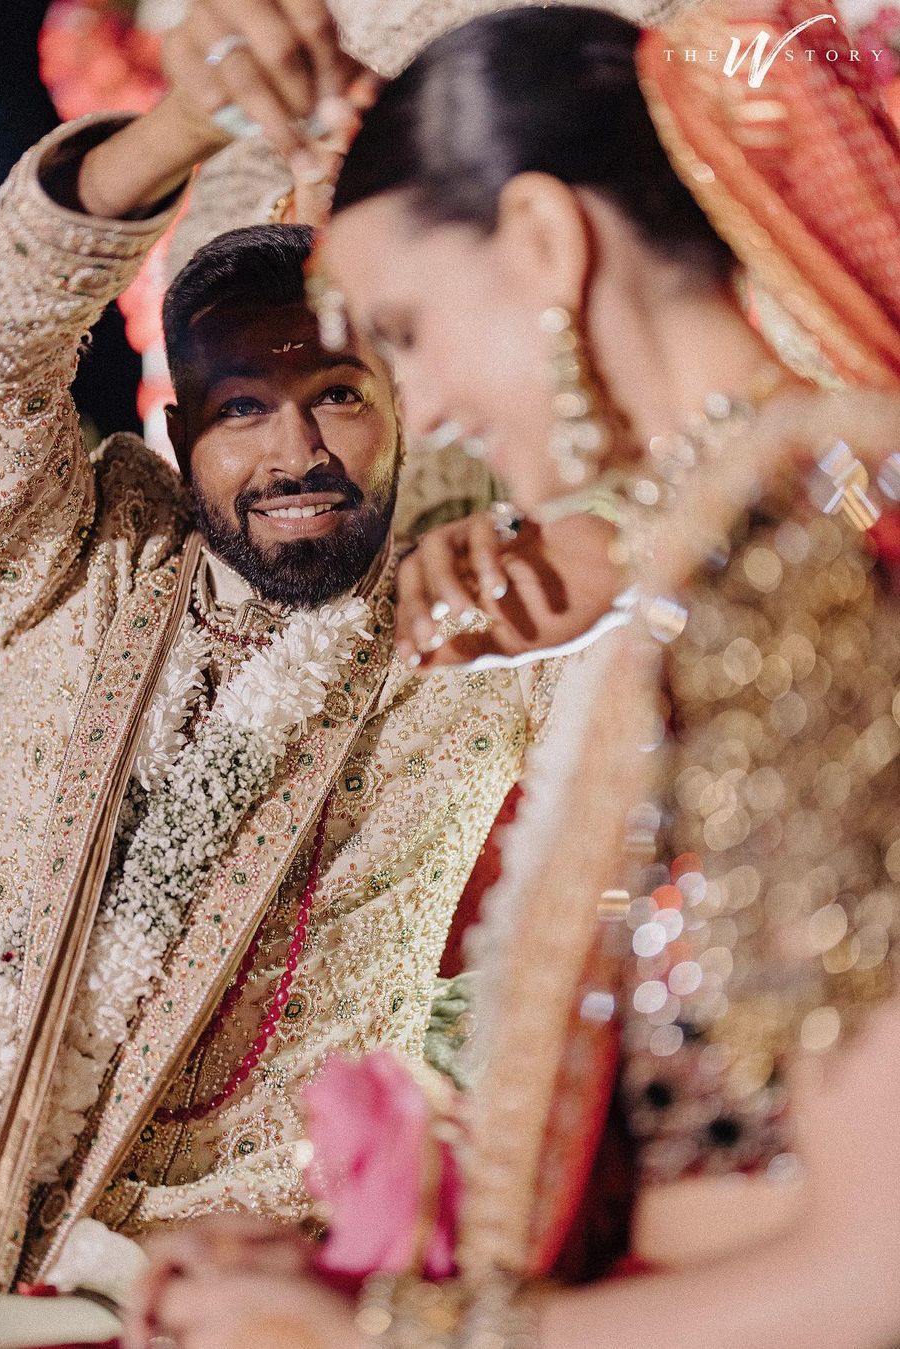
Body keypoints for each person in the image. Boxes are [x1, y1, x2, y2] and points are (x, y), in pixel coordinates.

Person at [127, 3, 900, 1346]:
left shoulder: (819, 580)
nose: (422, 404)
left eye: (409, 328)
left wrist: (382, 1338)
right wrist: (352, 1274)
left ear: (544, 238)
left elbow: (874, 1272)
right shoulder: (729, 563)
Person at [0, 2, 565, 1340]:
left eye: (338, 393)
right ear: (176, 426)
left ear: (408, 402)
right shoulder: (83, 565)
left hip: (250, 1276)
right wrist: (182, 122)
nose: (295, 452)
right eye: (241, 408)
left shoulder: (474, 627)